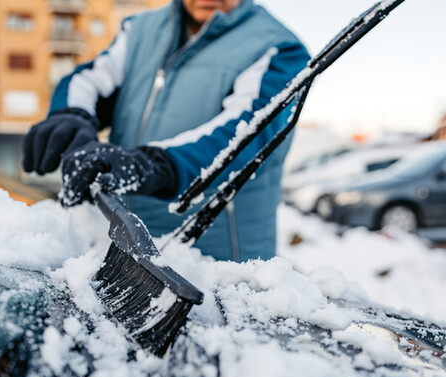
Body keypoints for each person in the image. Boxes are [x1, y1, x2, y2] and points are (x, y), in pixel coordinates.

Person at [23, 0, 309, 262]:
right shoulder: (139, 30)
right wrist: (72, 115)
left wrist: (152, 164)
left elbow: (247, 132)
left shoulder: (277, 47)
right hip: (127, 252)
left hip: (220, 266)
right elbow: (92, 79)